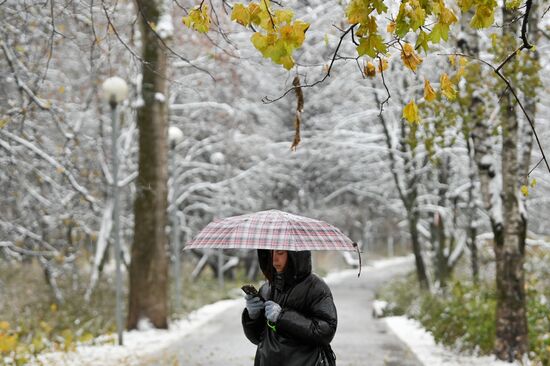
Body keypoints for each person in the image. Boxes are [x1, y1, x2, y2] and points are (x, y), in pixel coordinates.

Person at [242, 249, 337, 366]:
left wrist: (282, 317)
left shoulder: (315, 287)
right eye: (270, 253)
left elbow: (325, 331)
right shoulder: (267, 288)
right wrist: (252, 317)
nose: (274, 260)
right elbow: (257, 338)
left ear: (295, 255)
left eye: (280, 253)